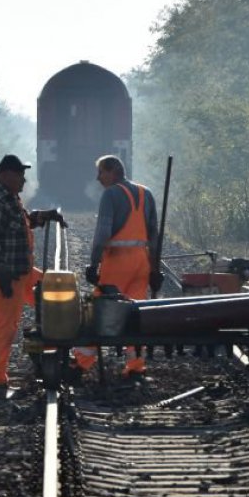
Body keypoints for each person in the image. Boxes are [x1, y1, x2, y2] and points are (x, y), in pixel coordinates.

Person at [0, 154, 66, 398]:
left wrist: (44, 216)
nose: (24, 180)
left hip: (20, 272)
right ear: (6, 174)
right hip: (4, 275)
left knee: (54, 291)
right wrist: (2, 272)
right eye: (20, 175)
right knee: (3, 326)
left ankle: (52, 351)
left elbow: (24, 222)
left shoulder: (10, 198)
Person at [75, 154, 161, 378]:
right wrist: (154, 269)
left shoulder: (111, 195)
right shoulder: (146, 193)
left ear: (113, 170)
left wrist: (94, 263)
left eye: (100, 172)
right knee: (136, 314)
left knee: (100, 310)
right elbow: (153, 234)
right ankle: (135, 365)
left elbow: (103, 232)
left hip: (117, 261)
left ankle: (81, 362)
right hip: (141, 262)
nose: (97, 178)